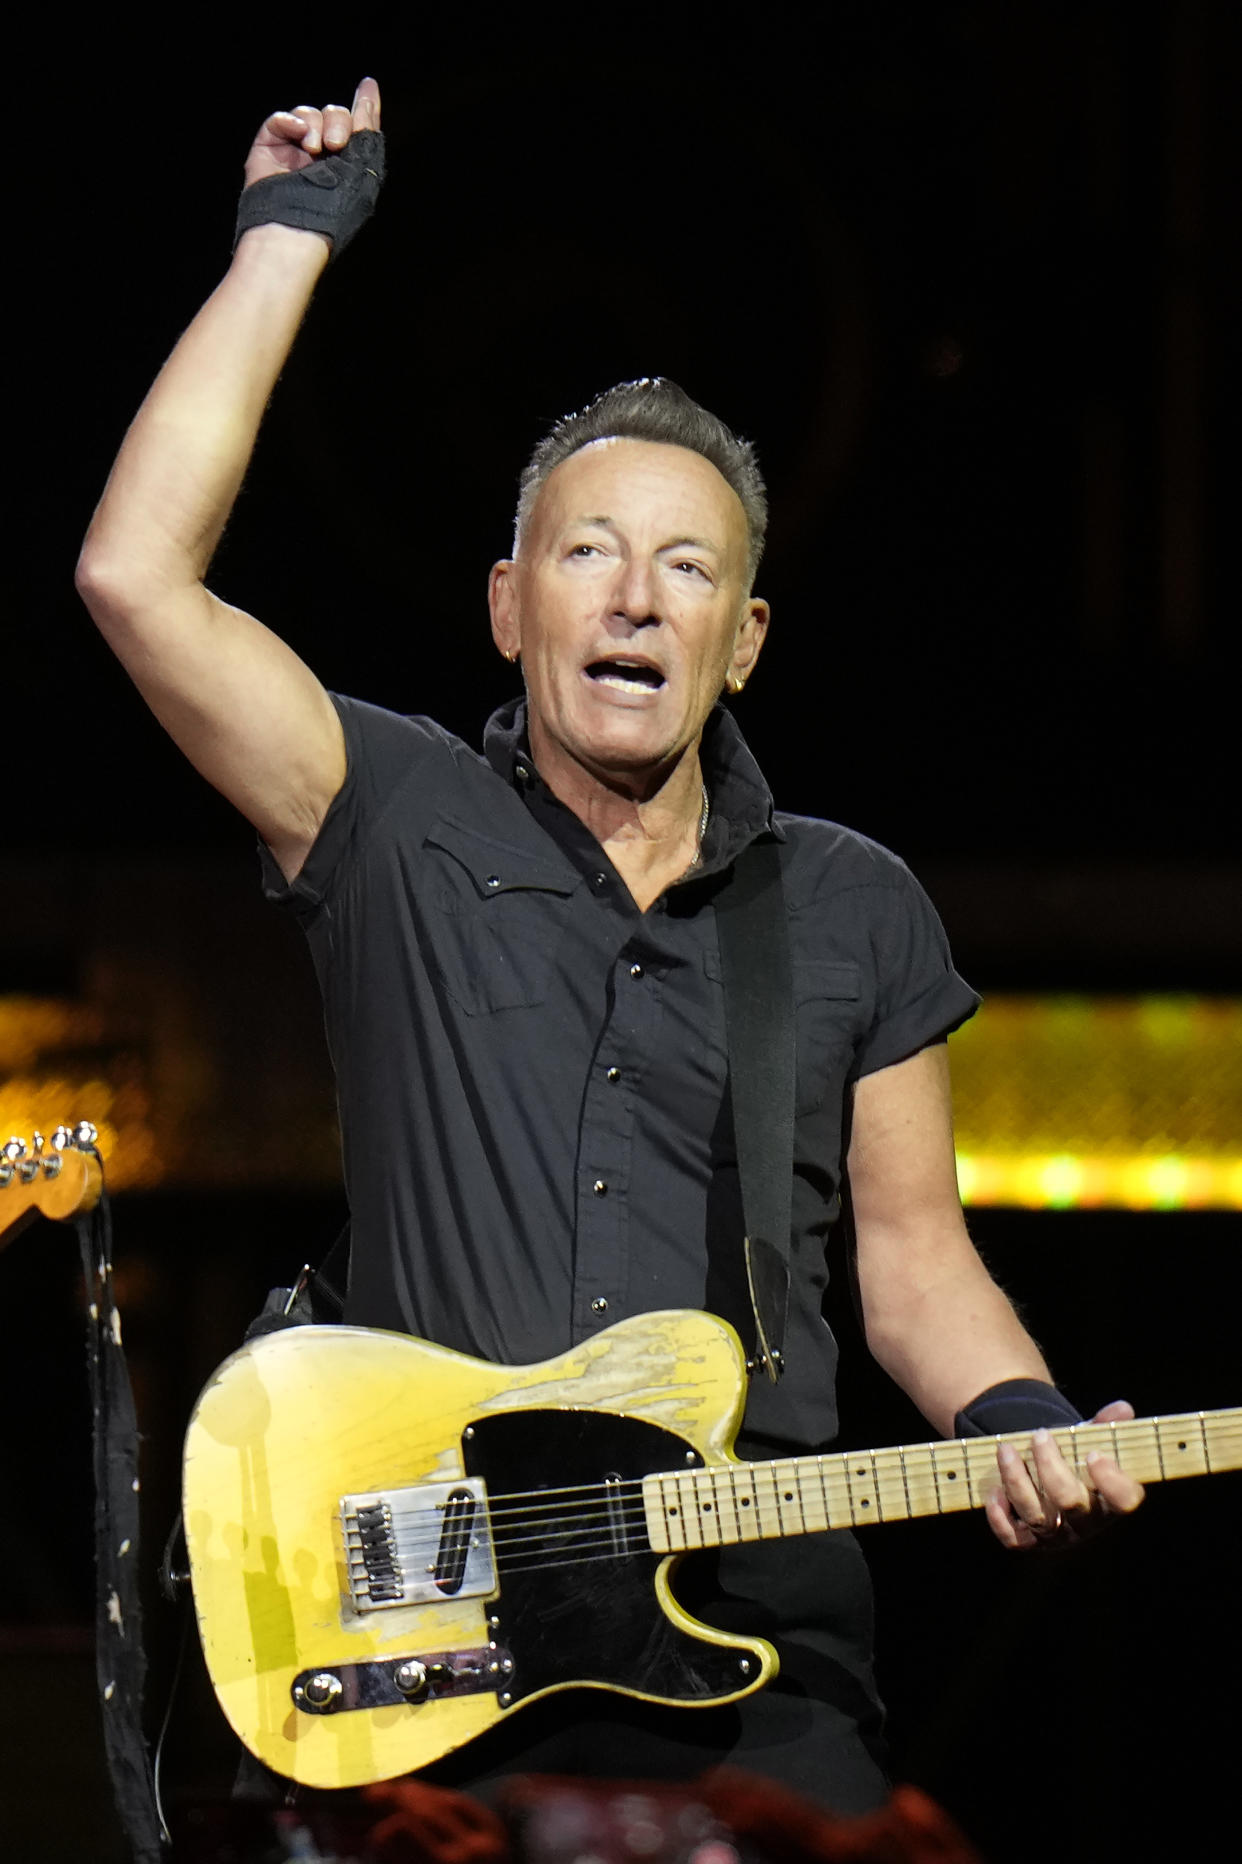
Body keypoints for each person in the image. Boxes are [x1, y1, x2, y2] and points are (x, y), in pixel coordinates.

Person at [75, 79, 1144, 1815]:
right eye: (586, 556)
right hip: (440, 1634)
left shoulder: (852, 904)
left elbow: (908, 1260)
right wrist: (287, 242)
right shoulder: (391, 811)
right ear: (511, 606)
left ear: (745, 640)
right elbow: (135, 574)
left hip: (759, 1653)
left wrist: (1016, 1420)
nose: (633, 599)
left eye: (684, 572)